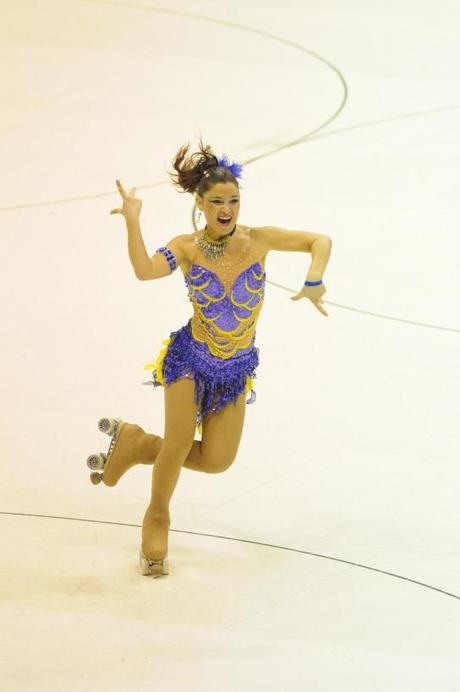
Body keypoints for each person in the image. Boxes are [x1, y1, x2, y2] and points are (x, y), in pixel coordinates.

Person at [96, 138, 332, 577]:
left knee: (219, 460)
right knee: (181, 441)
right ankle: (157, 517)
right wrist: (132, 222)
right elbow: (145, 271)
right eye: (217, 201)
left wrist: (314, 277)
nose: (227, 209)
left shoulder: (258, 240)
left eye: (234, 201)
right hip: (189, 359)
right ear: (200, 204)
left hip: (235, 370)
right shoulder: (186, 247)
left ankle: (138, 444)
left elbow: (319, 240)